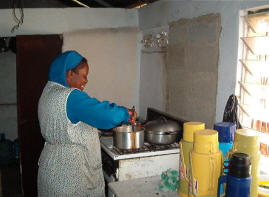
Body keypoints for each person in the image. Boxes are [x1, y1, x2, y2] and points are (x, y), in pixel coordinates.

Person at [37, 50, 136, 197]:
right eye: (83, 76)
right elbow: (106, 115)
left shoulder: (49, 91)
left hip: (52, 168)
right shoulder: (70, 96)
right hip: (70, 175)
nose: (86, 81)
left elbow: (70, 123)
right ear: (70, 73)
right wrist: (125, 113)